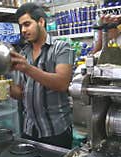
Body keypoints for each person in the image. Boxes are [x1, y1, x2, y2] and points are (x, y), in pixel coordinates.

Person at [8, 3, 74, 148]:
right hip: (30, 131)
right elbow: (21, 92)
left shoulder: (62, 47)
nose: (23, 30)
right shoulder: (23, 53)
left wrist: (28, 68)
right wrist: (10, 90)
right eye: (21, 26)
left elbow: (62, 83)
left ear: (41, 22)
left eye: (27, 24)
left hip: (56, 131)